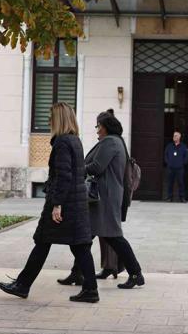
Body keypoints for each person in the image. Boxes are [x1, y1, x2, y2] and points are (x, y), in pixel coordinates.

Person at [0, 103, 98, 302]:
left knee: (45, 242)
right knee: (78, 245)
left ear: (59, 119)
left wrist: (57, 204)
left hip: (66, 203)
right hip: (76, 202)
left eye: (51, 117)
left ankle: (23, 285)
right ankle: (90, 290)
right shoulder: (74, 140)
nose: (49, 121)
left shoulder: (62, 142)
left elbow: (63, 175)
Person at [60, 109, 145, 289]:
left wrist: (76, 169)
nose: (97, 130)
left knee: (114, 238)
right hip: (102, 198)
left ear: (105, 127)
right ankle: (77, 273)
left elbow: (97, 167)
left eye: (98, 126)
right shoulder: (114, 142)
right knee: (85, 237)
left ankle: (136, 273)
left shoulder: (110, 142)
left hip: (104, 199)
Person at [164, 130, 188, 202]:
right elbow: (166, 155)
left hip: (180, 168)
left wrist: (182, 163)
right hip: (170, 168)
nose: (174, 137)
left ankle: (182, 197)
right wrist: (168, 162)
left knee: (181, 183)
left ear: (179, 137)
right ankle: (169, 197)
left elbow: (186, 156)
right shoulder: (169, 146)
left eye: (176, 136)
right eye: (173, 136)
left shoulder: (184, 147)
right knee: (170, 183)